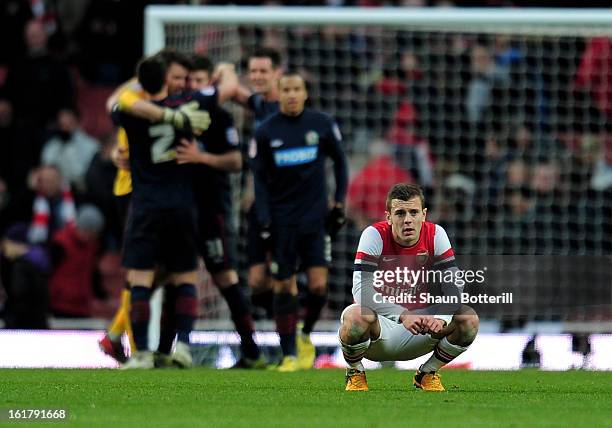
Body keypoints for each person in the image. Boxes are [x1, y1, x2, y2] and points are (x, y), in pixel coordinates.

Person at [116, 56, 212, 369]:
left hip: (146, 205)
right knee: (185, 278)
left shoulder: (130, 113)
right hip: (183, 204)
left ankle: (142, 352)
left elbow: (116, 103)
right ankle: (182, 346)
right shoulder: (187, 111)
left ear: (142, 83)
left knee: (140, 280)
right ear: (168, 79)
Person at [339, 183, 479, 392]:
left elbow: (454, 287)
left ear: (424, 214)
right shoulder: (373, 235)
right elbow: (361, 291)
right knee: (355, 316)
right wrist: (403, 315)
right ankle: (355, 372)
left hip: (419, 329)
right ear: (388, 217)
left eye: (413, 212)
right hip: (379, 330)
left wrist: (441, 318)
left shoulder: (435, 234)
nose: (407, 220)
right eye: (400, 213)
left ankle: (427, 373)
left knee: (468, 318)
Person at [251, 72, 348, 371]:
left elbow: (340, 162)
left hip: (315, 218)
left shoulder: (321, 124)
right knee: (284, 286)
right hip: (282, 220)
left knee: (319, 286)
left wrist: (340, 200)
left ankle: (305, 334)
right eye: (286, 90)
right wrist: (264, 216)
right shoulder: (266, 131)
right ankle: (289, 354)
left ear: (305, 93)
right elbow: (259, 178)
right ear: (278, 94)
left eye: (297, 89)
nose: (292, 95)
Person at [174, 54, 265, 369]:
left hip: (213, 209)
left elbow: (236, 162)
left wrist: (203, 158)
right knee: (176, 276)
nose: (193, 86)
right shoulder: (178, 113)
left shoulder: (221, 118)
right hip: (180, 209)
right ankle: (171, 348)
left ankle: (252, 350)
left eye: (199, 81)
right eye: (190, 81)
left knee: (225, 278)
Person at [0, 222, 50, 329]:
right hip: (37, 324)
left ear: (19, 244)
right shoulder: (39, 262)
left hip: (24, 327)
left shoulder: (21, 267)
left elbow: (19, 298)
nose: (4, 248)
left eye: (7, 243)